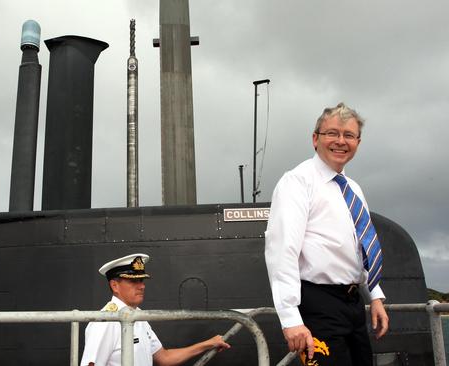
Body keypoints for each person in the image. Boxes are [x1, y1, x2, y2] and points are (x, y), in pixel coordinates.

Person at [264, 103, 389, 365]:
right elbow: (282, 251)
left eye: (349, 135)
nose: (340, 141)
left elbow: (361, 248)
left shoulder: (353, 189)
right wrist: (290, 319)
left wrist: (374, 295)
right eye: (332, 133)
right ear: (315, 139)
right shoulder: (297, 182)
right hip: (317, 304)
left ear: (358, 142)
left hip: (353, 305)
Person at [80, 253, 230, 366]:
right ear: (114, 286)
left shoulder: (138, 316)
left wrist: (209, 344)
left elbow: (164, 357)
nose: (142, 285)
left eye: (142, 280)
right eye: (134, 281)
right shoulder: (105, 322)